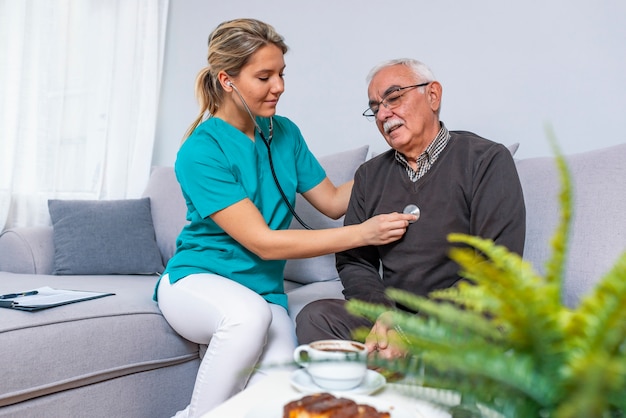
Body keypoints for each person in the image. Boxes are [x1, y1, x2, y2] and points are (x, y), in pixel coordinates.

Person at [155, 20, 416, 418]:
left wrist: (399, 156)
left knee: (275, 397)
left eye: (281, 74)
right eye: (264, 76)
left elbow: (331, 201)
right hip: (198, 281)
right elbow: (263, 241)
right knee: (246, 318)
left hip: (264, 293)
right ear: (227, 80)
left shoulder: (285, 133)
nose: (279, 86)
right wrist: (363, 233)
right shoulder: (200, 151)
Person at [295, 58, 526, 362]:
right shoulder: (369, 175)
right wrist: (384, 316)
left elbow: (496, 265)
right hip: (393, 315)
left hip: (460, 317)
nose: (384, 114)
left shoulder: (485, 160)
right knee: (316, 316)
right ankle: (397, 371)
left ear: (432, 95)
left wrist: (415, 328)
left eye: (394, 98)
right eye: (376, 107)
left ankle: (395, 372)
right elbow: (355, 262)